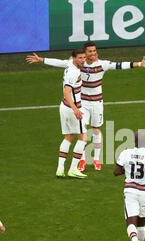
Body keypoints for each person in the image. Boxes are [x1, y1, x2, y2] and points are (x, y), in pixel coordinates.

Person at [26, 42, 145, 172]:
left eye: (94, 51)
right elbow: (60, 62)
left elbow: (120, 65)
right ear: (85, 53)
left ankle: (96, 159)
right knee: (84, 132)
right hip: (83, 103)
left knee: (96, 130)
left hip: (98, 102)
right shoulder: (78, 63)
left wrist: (139, 64)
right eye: (90, 51)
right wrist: (41, 59)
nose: (93, 53)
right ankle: (82, 159)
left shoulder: (103, 64)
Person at [56, 48, 88, 179]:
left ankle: (60, 169)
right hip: (72, 108)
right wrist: (75, 109)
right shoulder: (74, 73)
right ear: (74, 58)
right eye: (80, 58)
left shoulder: (69, 64)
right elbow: (67, 91)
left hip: (64, 106)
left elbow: (57, 62)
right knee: (83, 138)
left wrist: (41, 60)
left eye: (84, 58)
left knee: (68, 137)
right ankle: (73, 169)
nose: (83, 60)